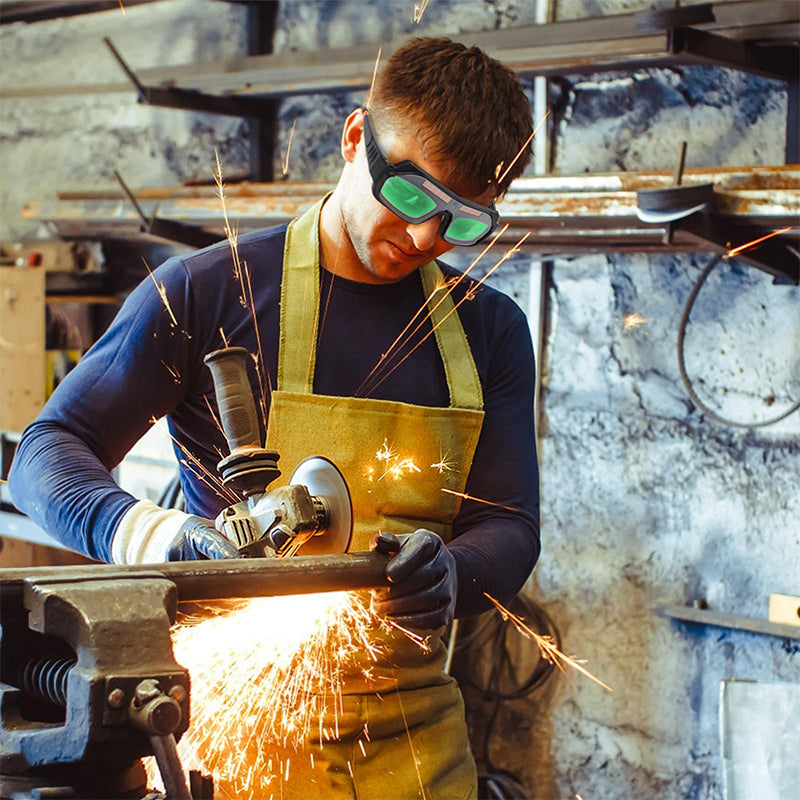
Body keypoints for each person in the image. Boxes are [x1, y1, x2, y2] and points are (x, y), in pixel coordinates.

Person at [10, 37, 540, 800]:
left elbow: (514, 522)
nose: (425, 239)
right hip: (242, 738)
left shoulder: (489, 329)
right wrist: (157, 540)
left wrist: (456, 571)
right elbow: (45, 451)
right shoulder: (208, 293)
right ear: (355, 138)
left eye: (461, 223)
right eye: (415, 198)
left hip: (417, 748)